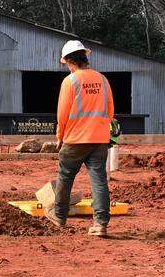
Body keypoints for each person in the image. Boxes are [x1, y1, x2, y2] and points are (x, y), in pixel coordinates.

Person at [47, 40, 115, 237]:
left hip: (75, 138)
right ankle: (100, 224)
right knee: (99, 180)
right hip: (99, 139)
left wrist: (60, 136)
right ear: (85, 57)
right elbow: (110, 111)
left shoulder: (70, 81)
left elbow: (62, 114)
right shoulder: (102, 80)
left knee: (65, 176)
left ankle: (59, 216)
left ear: (70, 61)